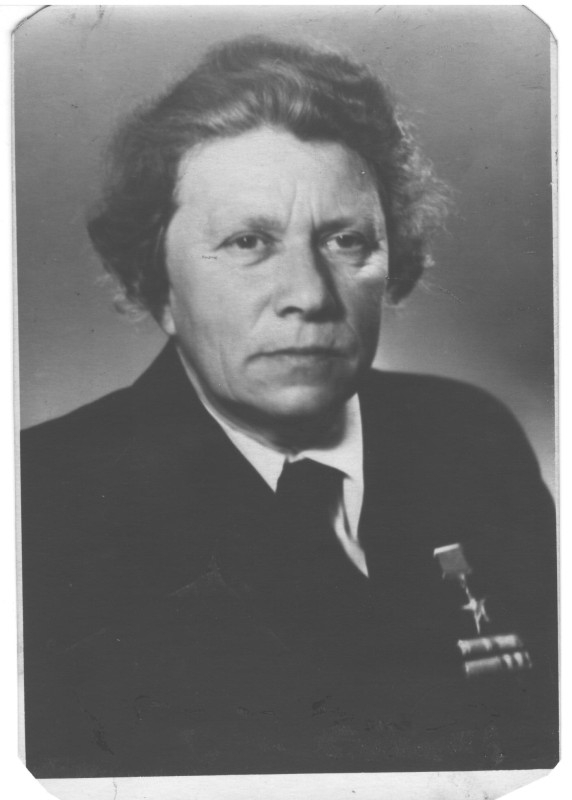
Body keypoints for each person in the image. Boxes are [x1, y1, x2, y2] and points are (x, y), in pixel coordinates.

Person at [20, 36, 558, 778]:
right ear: (154, 283)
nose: (308, 294)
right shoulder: (43, 500)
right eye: (248, 241)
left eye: (345, 240)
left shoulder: (471, 438)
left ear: (393, 262)